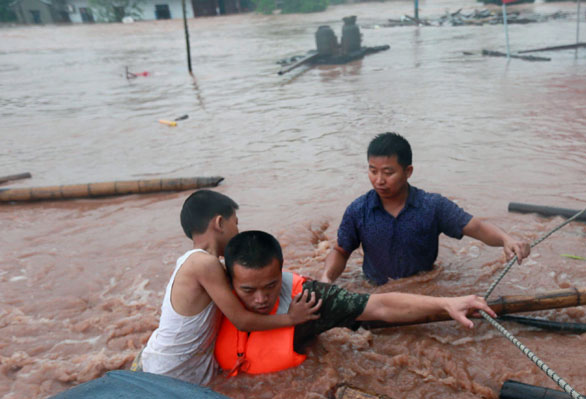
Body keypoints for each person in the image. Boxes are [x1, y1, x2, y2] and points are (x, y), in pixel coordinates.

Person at [215, 230, 496, 376]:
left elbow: (379, 306)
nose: (261, 299)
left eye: (271, 286)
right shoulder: (213, 295)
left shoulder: (310, 299)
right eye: (248, 290)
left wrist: (445, 304)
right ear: (229, 282)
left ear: (282, 273)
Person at [133, 190, 321, 385]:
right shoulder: (204, 264)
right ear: (220, 223)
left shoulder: (196, 262)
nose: (237, 231)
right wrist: (291, 318)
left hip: (174, 367)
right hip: (168, 372)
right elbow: (242, 321)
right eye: (236, 223)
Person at [320, 132, 531, 285]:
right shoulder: (358, 210)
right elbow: (341, 250)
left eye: (388, 172)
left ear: (408, 171)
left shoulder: (432, 206)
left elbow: (476, 227)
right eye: (373, 171)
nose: (379, 180)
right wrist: (326, 278)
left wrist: (506, 240)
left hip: (423, 287)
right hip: (375, 289)